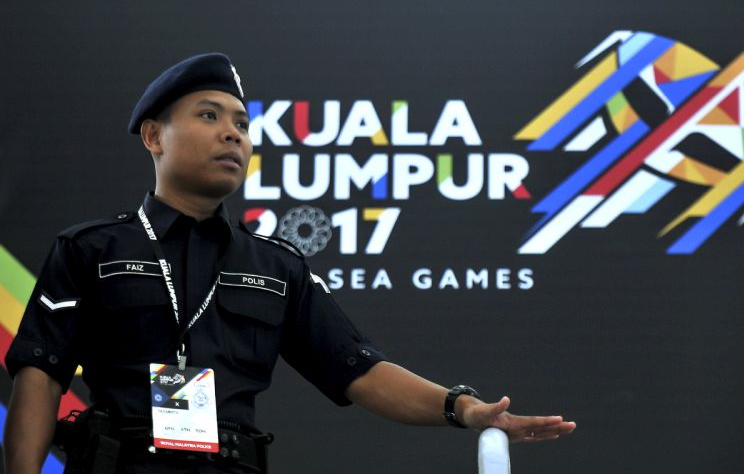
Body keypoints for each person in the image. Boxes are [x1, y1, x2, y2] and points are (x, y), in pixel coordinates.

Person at [3, 53, 576, 473]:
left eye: (243, 124)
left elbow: (361, 371)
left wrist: (464, 409)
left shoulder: (277, 265)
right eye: (209, 116)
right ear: (154, 135)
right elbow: (41, 375)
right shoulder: (91, 249)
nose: (233, 133)